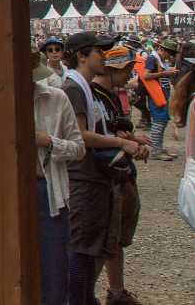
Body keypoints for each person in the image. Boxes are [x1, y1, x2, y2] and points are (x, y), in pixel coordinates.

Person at [61, 32, 148, 305]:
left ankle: (86, 297)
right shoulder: (74, 88)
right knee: (83, 248)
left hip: (95, 177)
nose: (104, 57)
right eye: (99, 52)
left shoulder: (84, 86)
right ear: (82, 56)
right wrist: (122, 144)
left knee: (93, 246)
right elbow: (80, 135)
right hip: (83, 178)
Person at [92, 45, 150, 305]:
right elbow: (91, 137)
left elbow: (118, 130)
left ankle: (116, 291)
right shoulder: (91, 95)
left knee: (115, 239)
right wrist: (123, 142)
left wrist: (131, 139)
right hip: (103, 176)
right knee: (103, 242)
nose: (129, 75)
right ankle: (84, 294)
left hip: (120, 172)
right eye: (127, 69)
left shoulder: (110, 95)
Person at [32, 50, 85, 305]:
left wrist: (49, 142)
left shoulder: (56, 98)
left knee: (54, 269)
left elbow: (78, 148)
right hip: (7, 193)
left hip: (48, 191)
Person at [139, 38, 179, 160]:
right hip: (156, 95)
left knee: (162, 121)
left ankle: (159, 148)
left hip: (162, 94)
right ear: (161, 49)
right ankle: (156, 151)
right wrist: (165, 73)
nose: (170, 56)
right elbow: (146, 75)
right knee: (159, 122)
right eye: (169, 53)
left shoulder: (159, 59)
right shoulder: (152, 58)